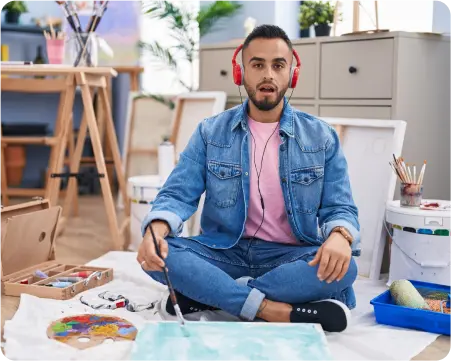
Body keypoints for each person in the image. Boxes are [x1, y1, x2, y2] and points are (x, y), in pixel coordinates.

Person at [137, 24, 360, 333]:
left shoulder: (322, 137)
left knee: (346, 266)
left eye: (278, 65)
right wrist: (156, 230)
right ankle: (271, 309)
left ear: (291, 74)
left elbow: (341, 208)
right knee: (163, 253)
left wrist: (340, 236)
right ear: (240, 73)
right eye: (257, 64)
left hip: (288, 257)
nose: (268, 74)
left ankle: (214, 295)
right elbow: (177, 194)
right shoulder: (209, 132)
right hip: (224, 251)